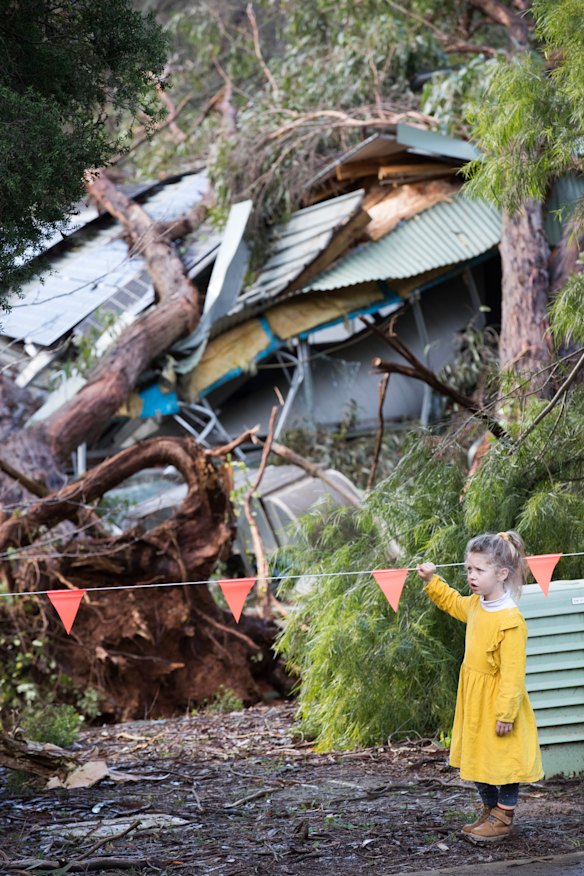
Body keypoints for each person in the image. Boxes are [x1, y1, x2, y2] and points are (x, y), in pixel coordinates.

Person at [416, 531, 543, 843]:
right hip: (474, 700)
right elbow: (453, 602)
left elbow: (513, 674)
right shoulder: (476, 605)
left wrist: (506, 713)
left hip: (499, 703)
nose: (471, 576)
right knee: (477, 757)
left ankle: (504, 816)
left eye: (478, 570)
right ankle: (489, 810)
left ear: (501, 574)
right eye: (468, 569)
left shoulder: (509, 620)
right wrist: (432, 581)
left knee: (504, 761)